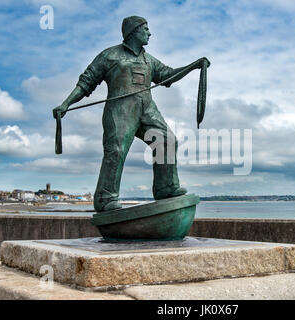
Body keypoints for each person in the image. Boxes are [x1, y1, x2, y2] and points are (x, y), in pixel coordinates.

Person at [52, 16, 210, 212]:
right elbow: (86, 82)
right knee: (116, 151)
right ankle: (105, 198)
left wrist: (193, 66)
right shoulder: (110, 55)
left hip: (147, 109)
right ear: (133, 31)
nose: (149, 33)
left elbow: (167, 76)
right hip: (120, 110)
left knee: (167, 140)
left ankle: (165, 187)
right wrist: (66, 104)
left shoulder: (148, 59)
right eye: (145, 29)